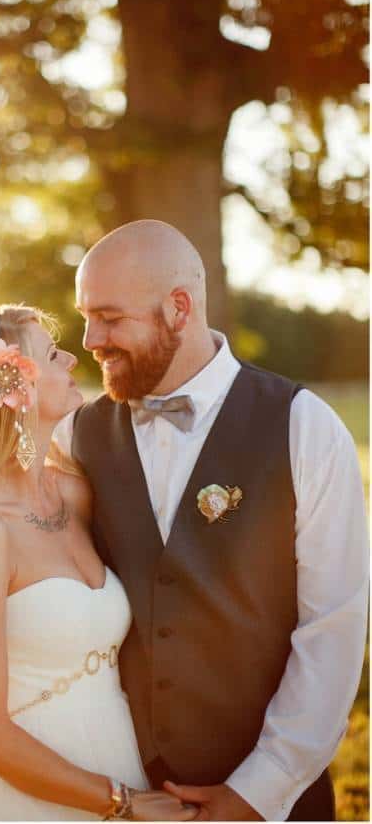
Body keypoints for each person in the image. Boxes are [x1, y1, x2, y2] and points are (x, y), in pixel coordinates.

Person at [51, 219, 369, 822]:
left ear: (178, 308)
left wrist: (261, 789)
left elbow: (333, 624)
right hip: (122, 796)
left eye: (111, 318)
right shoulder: (76, 437)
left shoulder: (305, 427)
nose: (90, 339)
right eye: (86, 315)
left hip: (274, 803)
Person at [0, 303, 198, 821]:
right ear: (8, 385)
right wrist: (122, 803)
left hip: (119, 753)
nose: (71, 359)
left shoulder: (77, 493)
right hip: (26, 792)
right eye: (51, 353)